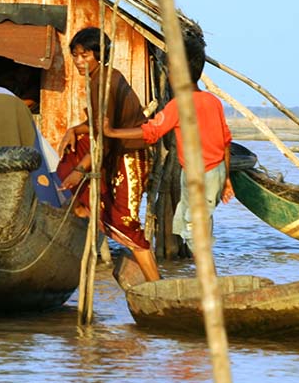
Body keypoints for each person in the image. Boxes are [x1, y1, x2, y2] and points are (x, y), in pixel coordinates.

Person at [102, 23, 234, 252]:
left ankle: (207, 279)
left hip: (199, 175)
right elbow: (225, 144)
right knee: (190, 223)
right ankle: (202, 275)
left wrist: (112, 132)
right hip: (212, 172)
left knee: (194, 229)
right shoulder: (213, 102)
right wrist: (227, 179)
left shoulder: (179, 104)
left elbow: (151, 132)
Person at [56, 27, 160, 282]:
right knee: (102, 212)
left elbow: (102, 137)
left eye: (85, 55)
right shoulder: (99, 78)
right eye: (76, 55)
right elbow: (96, 125)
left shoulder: (103, 82)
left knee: (125, 221)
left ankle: (157, 286)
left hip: (129, 155)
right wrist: (74, 129)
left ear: (98, 55)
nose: (79, 61)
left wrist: (79, 170)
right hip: (115, 153)